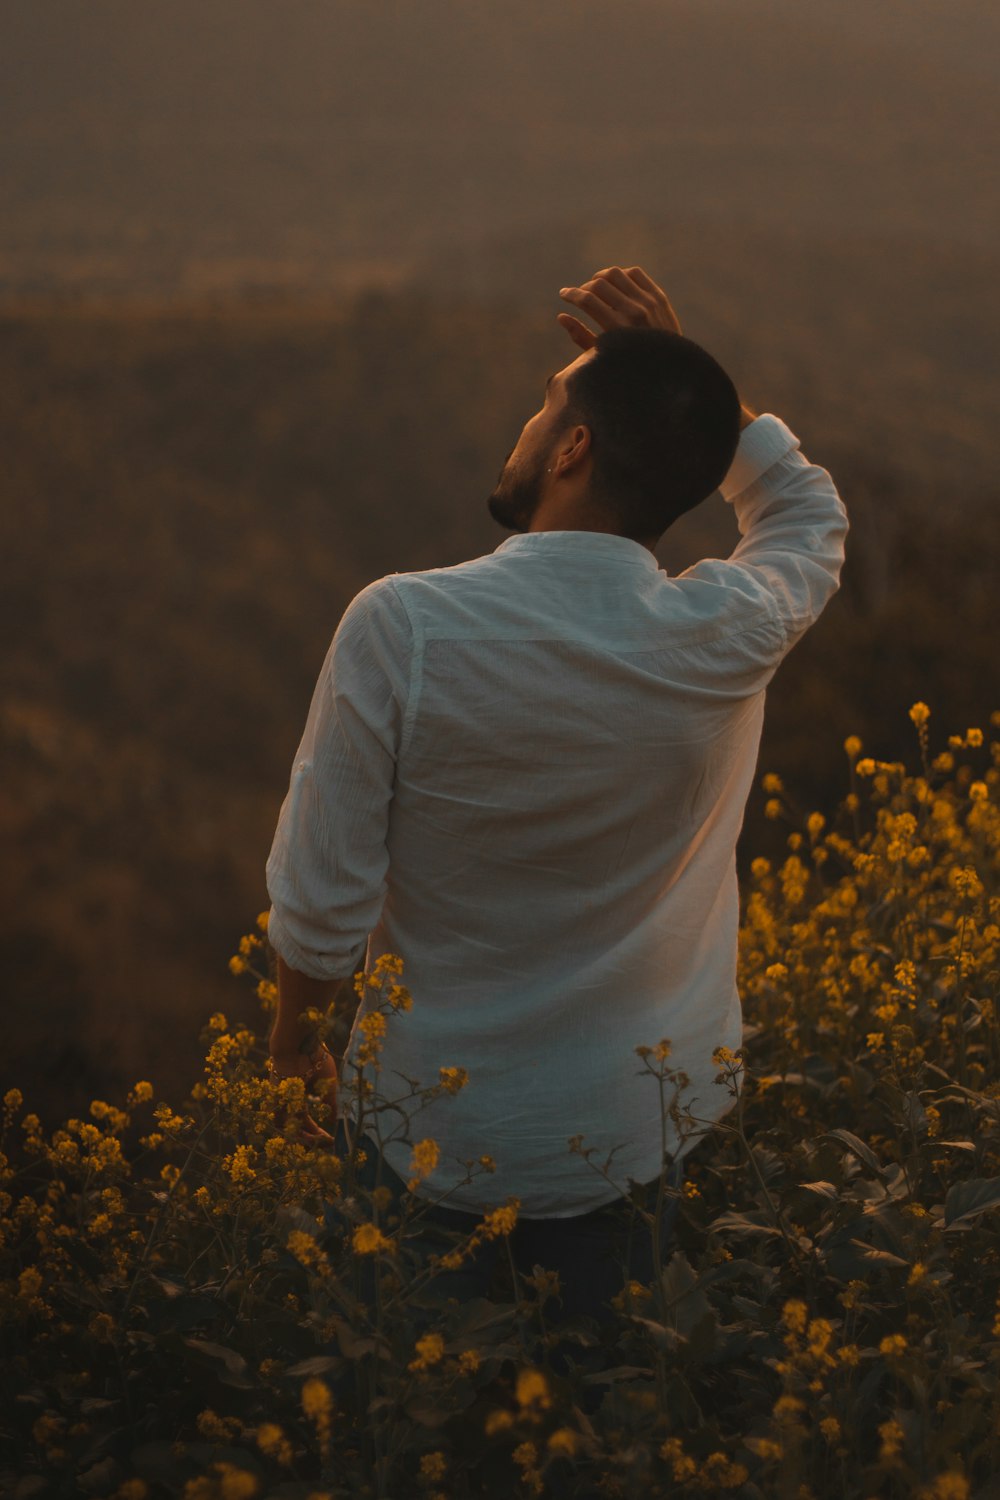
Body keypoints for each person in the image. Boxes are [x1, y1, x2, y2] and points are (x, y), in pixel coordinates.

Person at [263, 266, 849, 1355]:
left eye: (545, 404)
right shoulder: (723, 632)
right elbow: (806, 518)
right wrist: (693, 389)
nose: (528, 422)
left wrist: (297, 1043)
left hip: (431, 1140)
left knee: (422, 1421)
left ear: (572, 449)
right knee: (600, 1424)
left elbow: (321, 896)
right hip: (632, 1133)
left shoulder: (403, 627)